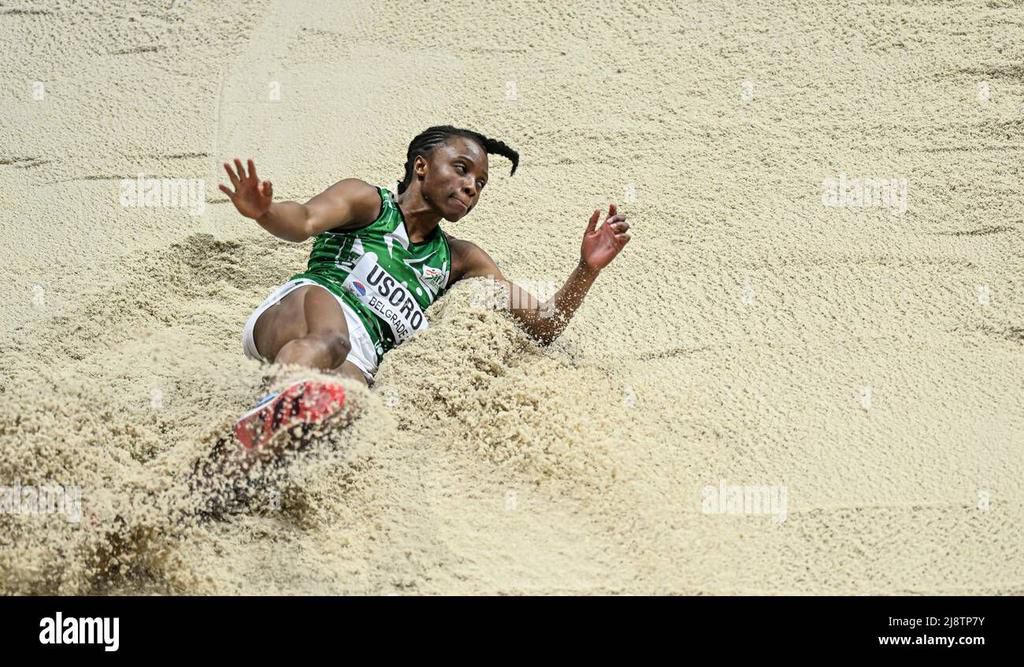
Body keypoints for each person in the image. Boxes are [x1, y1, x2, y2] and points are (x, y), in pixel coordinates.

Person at [219, 125, 631, 454]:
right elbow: (304, 220)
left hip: (361, 357)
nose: (472, 186)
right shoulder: (369, 203)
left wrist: (586, 270)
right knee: (332, 338)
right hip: (304, 310)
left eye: (481, 183)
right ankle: (271, 404)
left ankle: (237, 462)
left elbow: (544, 324)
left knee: (347, 403)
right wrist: (266, 212)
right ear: (421, 167)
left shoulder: (460, 259)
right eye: (461, 168)